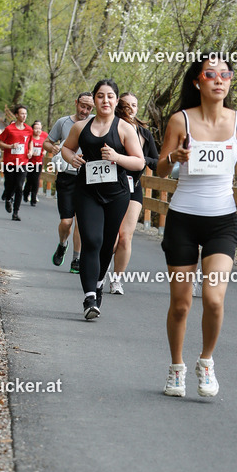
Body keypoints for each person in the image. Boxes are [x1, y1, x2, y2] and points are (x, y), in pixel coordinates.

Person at [156, 53, 237, 398]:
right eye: (210, 74)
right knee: (181, 303)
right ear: (197, 81)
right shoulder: (180, 120)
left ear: (230, 82)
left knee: (213, 299)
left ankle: (206, 361)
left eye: (224, 75)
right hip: (183, 219)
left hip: (222, 221)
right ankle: (175, 368)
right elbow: (159, 171)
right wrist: (174, 157)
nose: (218, 80)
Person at [61, 80, 144, 320]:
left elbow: (139, 162)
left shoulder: (125, 128)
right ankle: (89, 298)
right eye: (100, 96)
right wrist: (72, 158)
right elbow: (66, 149)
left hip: (116, 193)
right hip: (87, 191)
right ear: (94, 100)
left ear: (116, 101)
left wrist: (117, 157)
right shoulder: (81, 127)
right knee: (92, 240)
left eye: (110, 96)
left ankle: (98, 283)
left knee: (109, 244)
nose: (105, 100)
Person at [108, 92, 159, 294]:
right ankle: (102, 271)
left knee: (126, 236)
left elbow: (156, 162)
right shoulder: (112, 128)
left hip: (133, 186)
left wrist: (142, 160)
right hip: (111, 185)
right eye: (127, 105)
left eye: (135, 105)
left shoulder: (145, 134)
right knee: (111, 238)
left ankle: (117, 280)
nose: (131, 108)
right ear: (119, 107)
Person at [46, 92, 93, 271]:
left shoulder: (96, 122)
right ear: (76, 103)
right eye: (82, 106)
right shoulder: (63, 122)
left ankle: (76, 259)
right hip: (66, 176)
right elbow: (46, 142)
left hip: (88, 177)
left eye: (89, 108)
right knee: (67, 222)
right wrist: (53, 147)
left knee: (81, 222)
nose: (85, 110)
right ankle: (62, 244)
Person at [0, 105, 33, 221]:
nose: (24, 116)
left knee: (19, 186)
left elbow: (30, 142)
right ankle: (8, 199)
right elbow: (0, 143)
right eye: (22, 114)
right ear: (16, 115)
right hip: (10, 162)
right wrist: (10, 146)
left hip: (23, 162)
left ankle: (16, 212)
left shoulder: (29, 129)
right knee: (9, 184)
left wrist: (31, 151)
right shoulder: (9, 129)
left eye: (25, 114)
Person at [23, 120, 48, 206]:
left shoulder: (42, 139)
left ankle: (33, 198)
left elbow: (45, 147)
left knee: (36, 180)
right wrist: (30, 152)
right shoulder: (30, 138)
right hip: (29, 162)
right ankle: (26, 193)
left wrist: (44, 151)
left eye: (39, 129)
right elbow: (25, 147)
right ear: (32, 129)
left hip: (38, 162)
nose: (38, 130)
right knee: (29, 179)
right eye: (36, 128)